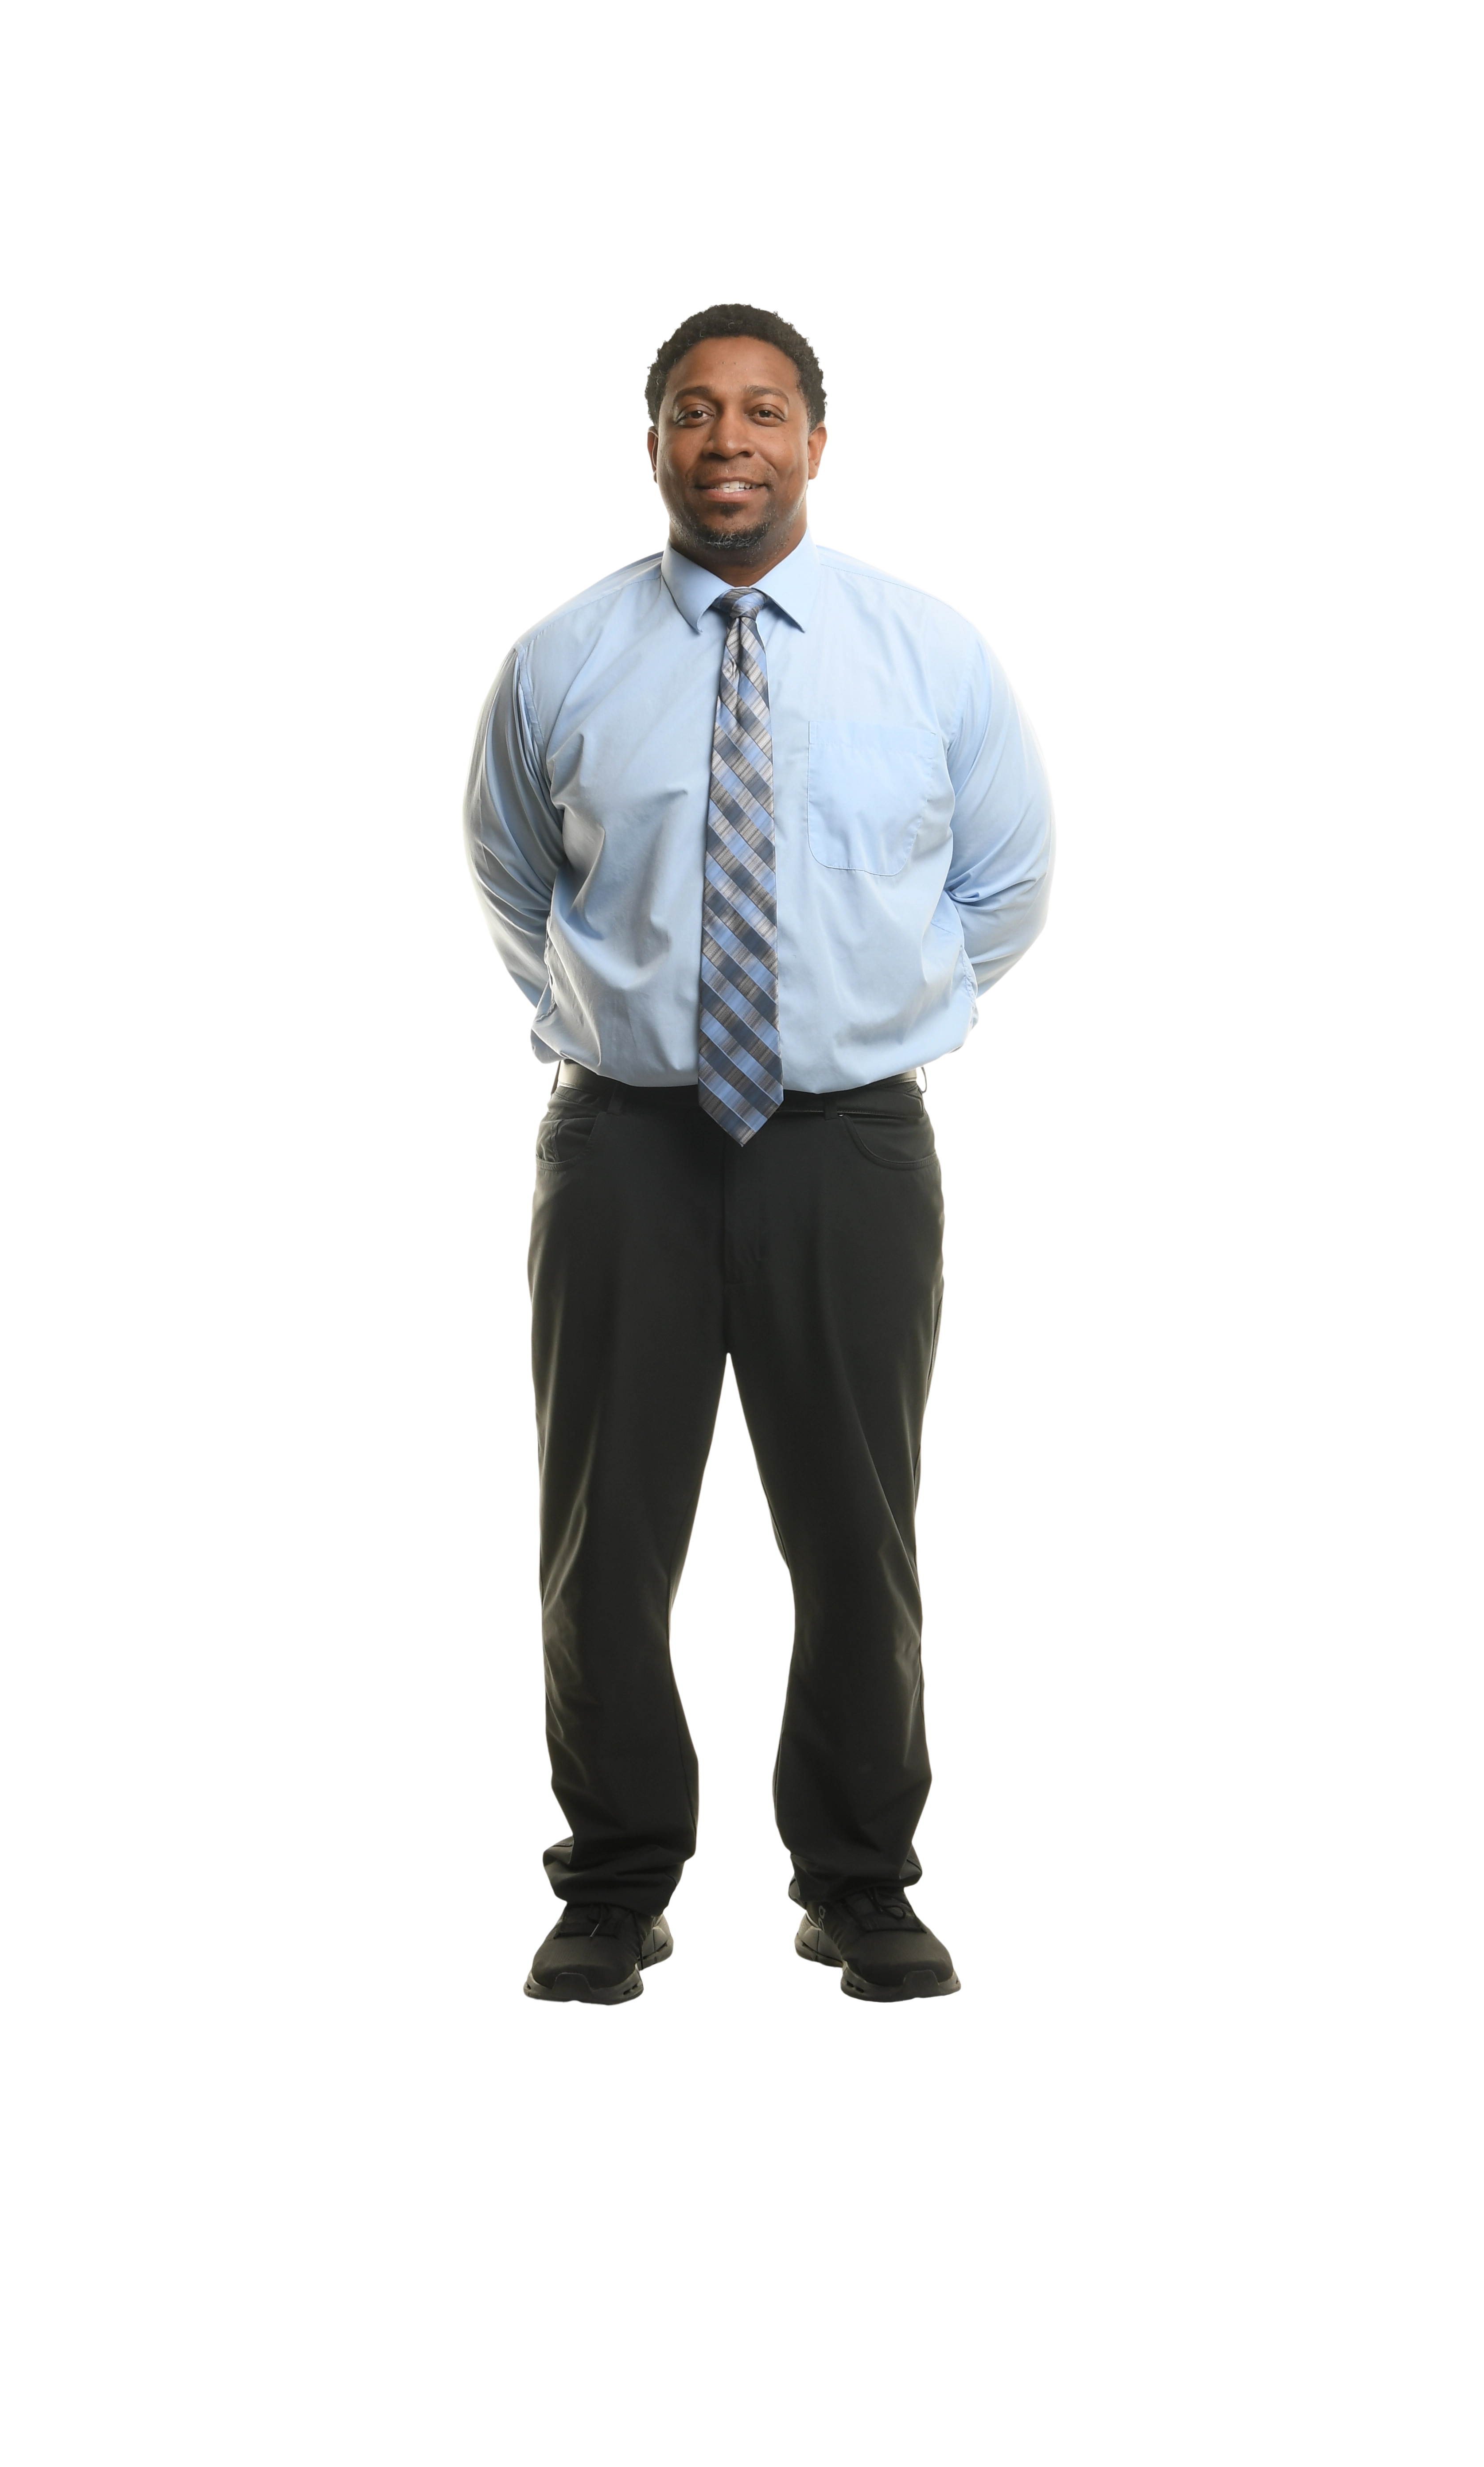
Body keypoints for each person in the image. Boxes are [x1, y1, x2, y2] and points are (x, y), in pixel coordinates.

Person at [466, 303, 1054, 2006]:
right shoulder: (564, 658)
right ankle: (616, 1887)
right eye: (693, 410)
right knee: (604, 1538)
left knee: (857, 1534)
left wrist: (866, 1015)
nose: (728, 440)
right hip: (624, 1153)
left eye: (764, 410)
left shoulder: (928, 654)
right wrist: (621, 1018)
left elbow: (1007, 883)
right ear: (653, 437)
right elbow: (514, 878)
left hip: (849, 1151)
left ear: (816, 439)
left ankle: (857, 1885)